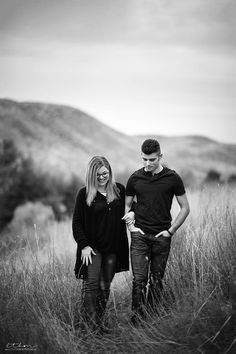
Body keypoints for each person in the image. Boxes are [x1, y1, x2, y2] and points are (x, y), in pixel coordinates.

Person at [123, 139, 190, 322]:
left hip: (162, 237)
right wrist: (132, 227)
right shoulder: (135, 178)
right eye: (144, 159)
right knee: (139, 281)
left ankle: (152, 319)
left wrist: (171, 230)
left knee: (157, 281)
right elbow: (127, 205)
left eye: (152, 159)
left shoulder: (172, 178)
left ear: (160, 156)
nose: (148, 164)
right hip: (140, 237)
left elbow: (185, 207)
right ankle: (137, 321)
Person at [72, 156, 129, 331]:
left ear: (110, 172)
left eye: (105, 173)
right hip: (93, 249)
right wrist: (84, 246)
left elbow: (132, 207)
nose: (102, 177)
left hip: (113, 248)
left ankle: (97, 325)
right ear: (92, 175)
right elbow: (77, 222)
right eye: (98, 175)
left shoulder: (119, 189)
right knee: (91, 285)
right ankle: (87, 327)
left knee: (105, 287)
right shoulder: (84, 194)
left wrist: (133, 214)